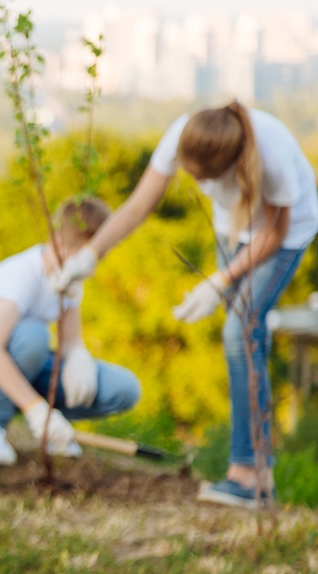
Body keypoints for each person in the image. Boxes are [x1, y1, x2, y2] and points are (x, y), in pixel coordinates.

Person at [52, 101, 318, 509]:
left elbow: (275, 233)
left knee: (241, 332)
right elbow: (139, 206)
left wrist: (218, 281)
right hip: (233, 229)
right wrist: (91, 255)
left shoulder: (274, 155)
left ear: (229, 167)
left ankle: (251, 477)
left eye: (201, 176)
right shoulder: (183, 135)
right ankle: (251, 474)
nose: (191, 179)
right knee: (243, 340)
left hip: (286, 233)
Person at [0, 197, 142, 465]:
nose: (94, 266)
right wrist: (37, 410)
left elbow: (71, 341)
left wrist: (78, 359)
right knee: (34, 335)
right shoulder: (21, 276)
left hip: (28, 367)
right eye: (90, 255)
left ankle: (55, 433)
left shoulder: (70, 278)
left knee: (124, 388)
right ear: (61, 243)